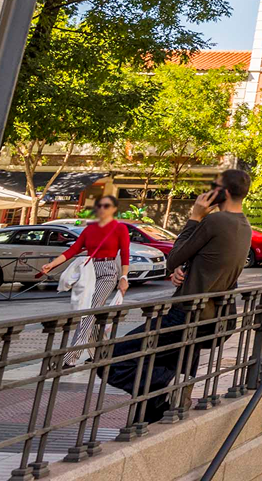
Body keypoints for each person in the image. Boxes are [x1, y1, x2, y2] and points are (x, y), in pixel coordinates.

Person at [106, 169, 252, 423]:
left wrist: (194, 218)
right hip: (212, 316)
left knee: (113, 359)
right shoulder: (244, 226)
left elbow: (173, 257)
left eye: (213, 186)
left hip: (185, 313)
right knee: (164, 361)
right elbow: (212, 264)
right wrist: (184, 271)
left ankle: (167, 385)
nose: (207, 191)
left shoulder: (214, 221)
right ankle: (154, 410)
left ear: (225, 192)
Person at [36, 193, 131, 300]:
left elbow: (124, 252)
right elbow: (73, 249)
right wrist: (52, 264)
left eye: (106, 206)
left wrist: (124, 277)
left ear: (114, 209)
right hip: (88, 268)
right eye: (99, 206)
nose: (102, 209)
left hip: (107, 270)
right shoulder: (89, 229)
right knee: (82, 305)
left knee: (94, 305)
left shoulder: (120, 228)